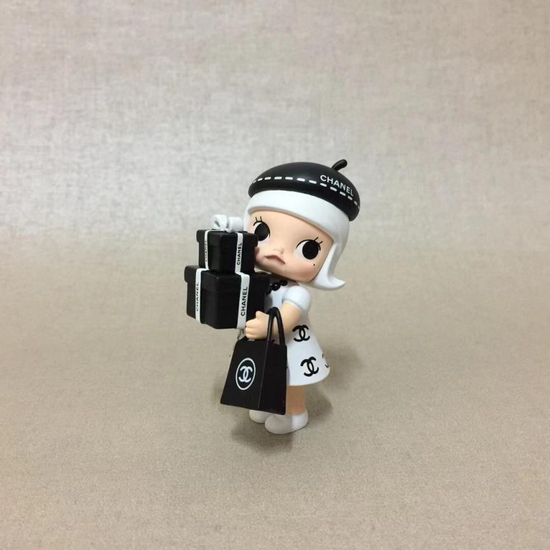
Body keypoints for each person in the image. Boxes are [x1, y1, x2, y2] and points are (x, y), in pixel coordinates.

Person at [215, 160, 360, 434]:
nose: (277, 252)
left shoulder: (297, 292)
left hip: (290, 344)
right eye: (262, 233)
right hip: (258, 341)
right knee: (260, 372)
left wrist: (267, 326)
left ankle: (295, 414)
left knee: (289, 380)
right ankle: (262, 404)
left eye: (308, 249)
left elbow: (288, 318)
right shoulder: (257, 278)